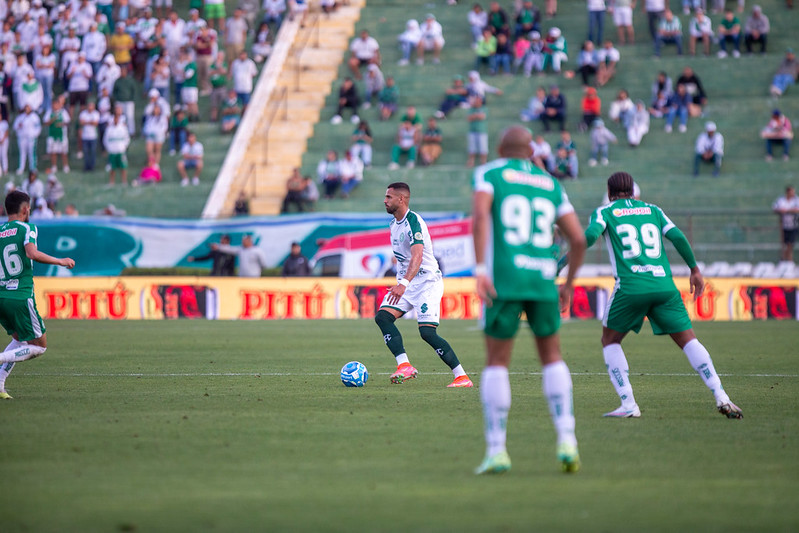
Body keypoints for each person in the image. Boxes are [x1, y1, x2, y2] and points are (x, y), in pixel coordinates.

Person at [578, 171, 743, 420]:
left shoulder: (605, 211)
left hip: (631, 287)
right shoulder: (653, 210)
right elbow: (677, 236)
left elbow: (591, 235)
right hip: (664, 287)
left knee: (610, 340)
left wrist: (571, 250)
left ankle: (629, 404)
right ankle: (722, 396)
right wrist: (695, 270)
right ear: (633, 190)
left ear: (609, 192)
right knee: (689, 341)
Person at [471, 125, 586, 475]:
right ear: (532, 151)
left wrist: (479, 268)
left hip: (504, 280)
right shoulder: (551, 184)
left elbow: (479, 216)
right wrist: (567, 284)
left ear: (501, 148)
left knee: (496, 361)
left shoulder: (489, 172)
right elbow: (578, 240)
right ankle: (567, 439)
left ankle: (497, 451)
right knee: (552, 357)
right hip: (542, 280)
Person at [375, 181, 473, 388]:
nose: (384, 201)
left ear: (401, 199)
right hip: (408, 283)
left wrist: (402, 283)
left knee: (427, 333)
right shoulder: (393, 224)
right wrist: (403, 282)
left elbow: (417, 256)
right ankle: (404, 366)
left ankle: (462, 377)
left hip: (427, 282)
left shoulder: (413, 221)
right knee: (383, 317)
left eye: (389, 197)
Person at [0, 190, 76, 399]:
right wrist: (60, 261)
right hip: (20, 296)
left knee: (19, 338)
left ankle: (0, 385)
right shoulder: (28, 228)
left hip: (1, 296)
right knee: (39, 347)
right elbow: (31, 253)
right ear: (25, 209)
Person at [772, 186, 799, 263]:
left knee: (790, 244)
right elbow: (775, 208)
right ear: (787, 192)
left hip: (794, 224)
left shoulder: (796, 200)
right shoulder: (781, 200)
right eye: (791, 192)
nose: (793, 193)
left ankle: (789, 259)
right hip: (784, 225)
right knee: (784, 244)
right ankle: (784, 259)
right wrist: (781, 210)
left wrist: (789, 210)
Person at [103, 109, 130, 185]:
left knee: (123, 167)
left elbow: (127, 138)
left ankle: (124, 181)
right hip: (112, 151)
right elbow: (105, 139)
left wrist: (124, 146)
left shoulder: (123, 128)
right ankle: (111, 182)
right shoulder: (109, 129)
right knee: (112, 168)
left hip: (121, 150)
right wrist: (108, 148)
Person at [466, 95, 488, 168]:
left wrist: (474, 116)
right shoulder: (471, 109)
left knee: (483, 148)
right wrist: (476, 116)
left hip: (482, 131)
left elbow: (482, 117)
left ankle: (483, 163)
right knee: (472, 148)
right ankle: (471, 162)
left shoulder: (484, 108)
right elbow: (469, 118)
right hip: (472, 131)